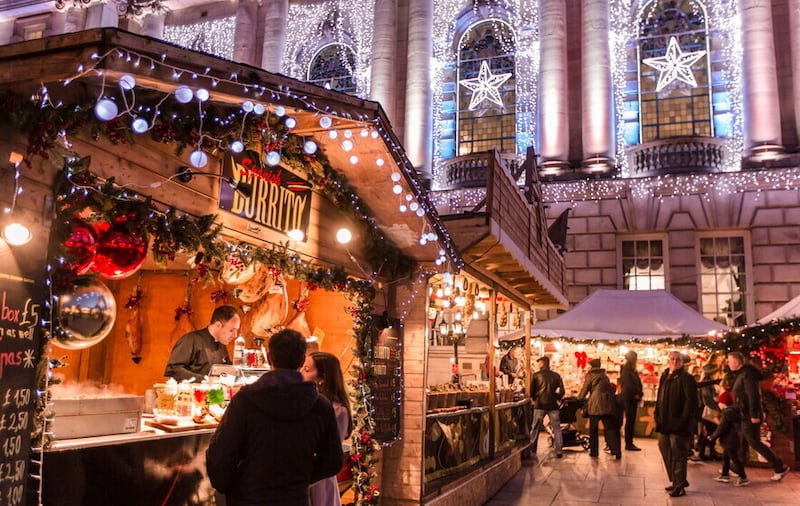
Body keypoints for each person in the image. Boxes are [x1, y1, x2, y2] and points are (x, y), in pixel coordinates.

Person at [206, 329, 343, 505]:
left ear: (269, 358)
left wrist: (231, 486)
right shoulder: (321, 406)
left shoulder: (245, 401)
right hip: (294, 498)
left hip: (249, 497)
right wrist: (300, 478)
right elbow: (332, 461)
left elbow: (221, 455)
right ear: (302, 361)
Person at [727, 351, 791, 481]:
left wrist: (754, 414)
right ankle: (738, 467)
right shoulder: (742, 374)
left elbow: (753, 395)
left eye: (730, 360)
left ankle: (780, 467)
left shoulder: (748, 374)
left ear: (737, 362)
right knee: (743, 441)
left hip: (749, 415)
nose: (728, 363)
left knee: (754, 442)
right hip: (743, 413)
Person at [301, 352, 354, 506]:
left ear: (322, 378)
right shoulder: (305, 403)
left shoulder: (337, 411)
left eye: (307, 370)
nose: (300, 373)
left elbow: (330, 455)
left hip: (319, 481)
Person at [655, 351, 697, 498]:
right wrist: (657, 414)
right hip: (664, 422)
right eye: (672, 359)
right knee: (664, 448)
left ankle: (679, 485)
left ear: (682, 361)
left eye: (678, 359)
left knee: (678, 453)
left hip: (679, 424)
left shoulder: (686, 378)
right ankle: (677, 480)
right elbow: (660, 395)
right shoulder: (665, 376)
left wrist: (683, 420)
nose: (675, 361)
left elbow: (690, 402)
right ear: (668, 360)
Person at [164, 305, 240, 381]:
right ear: (218, 325)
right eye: (231, 330)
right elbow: (173, 370)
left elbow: (229, 370)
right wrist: (206, 379)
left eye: (236, 330)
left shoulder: (221, 344)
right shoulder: (191, 339)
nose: (235, 335)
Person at [578, 358, 621, 459]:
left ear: (592, 366)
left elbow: (585, 389)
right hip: (607, 403)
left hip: (595, 404)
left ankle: (594, 451)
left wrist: (579, 398)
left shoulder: (590, 375)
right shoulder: (604, 376)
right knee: (609, 428)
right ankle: (616, 450)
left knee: (593, 429)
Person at [708, 390, 749, 487]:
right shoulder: (735, 410)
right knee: (725, 457)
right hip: (733, 439)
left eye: (719, 402)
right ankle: (724, 475)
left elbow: (722, 427)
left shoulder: (727, 413)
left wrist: (713, 436)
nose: (718, 404)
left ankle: (743, 477)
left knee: (734, 459)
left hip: (730, 440)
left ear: (723, 403)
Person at [528, 356, 565, 459]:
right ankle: (559, 450)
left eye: (539, 362)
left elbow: (532, 390)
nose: (538, 364)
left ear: (543, 363)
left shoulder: (536, 375)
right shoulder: (556, 376)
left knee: (535, 427)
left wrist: (535, 399)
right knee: (557, 428)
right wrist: (556, 397)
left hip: (540, 404)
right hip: (553, 405)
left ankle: (532, 448)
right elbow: (562, 391)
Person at [693, 362, 722, 461]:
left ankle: (707, 451)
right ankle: (705, 452)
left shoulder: (706, 382)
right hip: (710, 410)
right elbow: (710, 398)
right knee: (710, 431)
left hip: (708, 409)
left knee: (708, 431)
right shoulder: (708, 383)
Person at [618, 350, 643, 451]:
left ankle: (629, 442)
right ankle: (629, 443)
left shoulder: (630, 370)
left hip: (631, 398)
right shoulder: (627, 370)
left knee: (630, 420)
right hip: (629, 398)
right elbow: (629, 385)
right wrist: (637, 393)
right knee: (630, 420)